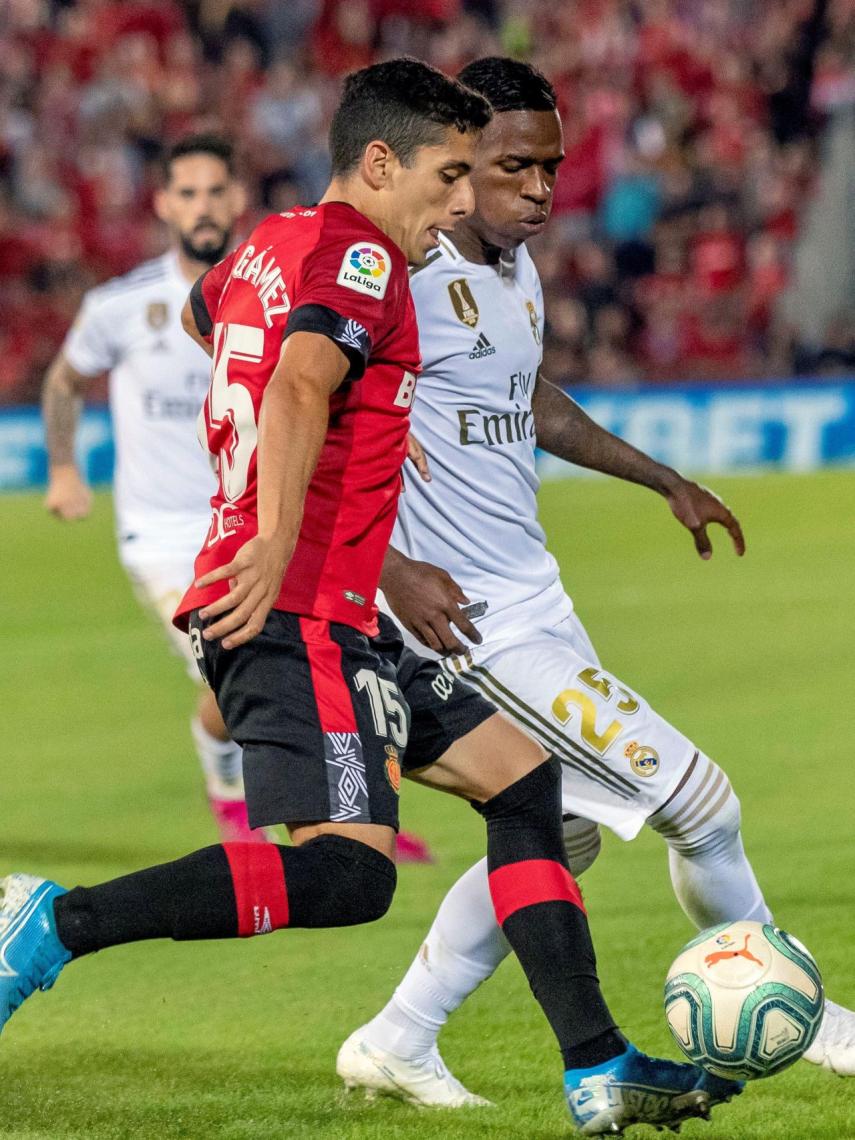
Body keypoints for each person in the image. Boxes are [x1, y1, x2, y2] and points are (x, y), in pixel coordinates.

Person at [1, 58, 739, 1136]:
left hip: (339, 608)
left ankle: (598, 1066)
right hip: (293, 607)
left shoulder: (270, 240)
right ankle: (55, 921)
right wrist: (278, 533)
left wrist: (354, 454)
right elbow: (302, 380)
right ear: (381, 163)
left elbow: (213, 322)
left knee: (523, 785)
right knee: (350, 877)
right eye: (448, 177)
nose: (459, 202)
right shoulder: (365, 258)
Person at [336, 56, 855, 1105]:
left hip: (537, 601)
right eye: (512, 168)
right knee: (697, 800)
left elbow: (529, 399)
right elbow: (260, 368)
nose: (539, 190)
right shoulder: (397, 273)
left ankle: (396, 1038)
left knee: (558, 835)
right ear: (454, 162)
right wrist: (388, 563)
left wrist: (664, 479)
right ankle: (810, 1019)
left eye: (551, 167)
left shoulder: (512, 270)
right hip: (470, 626)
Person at [40, 135, 263, 844]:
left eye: (216, 191)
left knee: (300, 664)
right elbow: (64, 381)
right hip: (165, 540)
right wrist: (64, 468)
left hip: (256, 526)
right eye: (188, 194)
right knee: (240, 666)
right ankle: (230, 784)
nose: (204, 207)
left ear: (238, 198)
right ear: (164, 204)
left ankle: (317, 808)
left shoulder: (269, 296)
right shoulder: (122, 305)